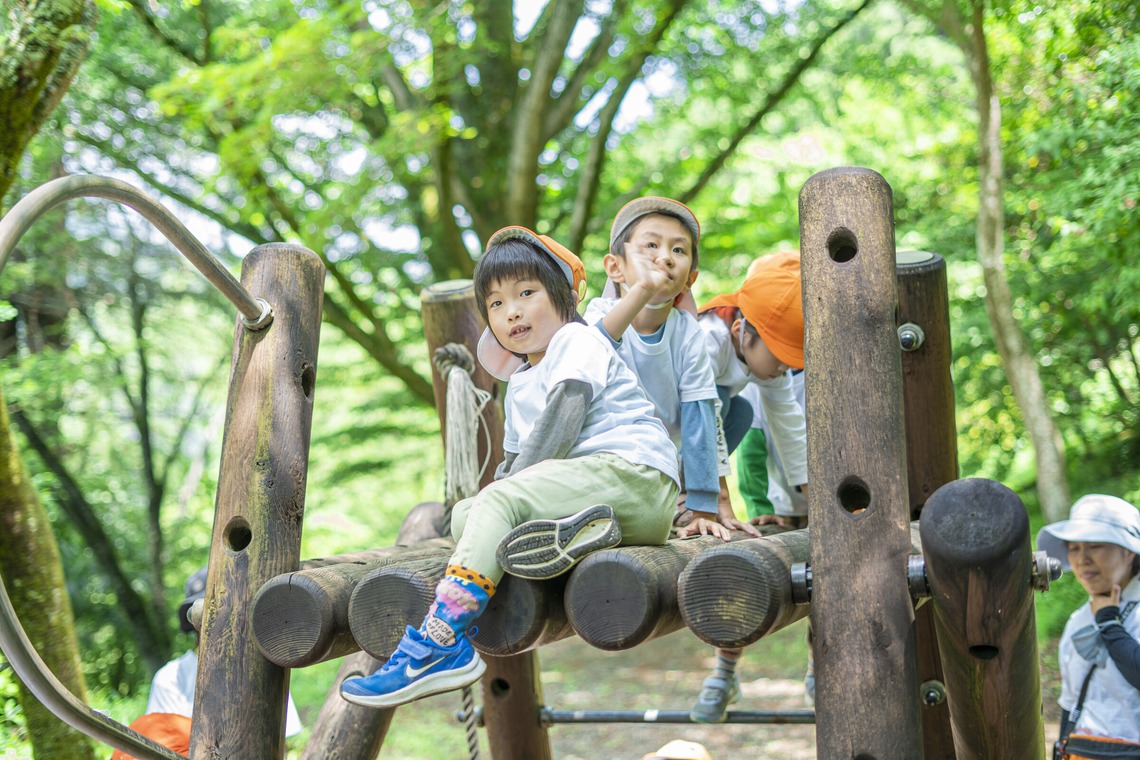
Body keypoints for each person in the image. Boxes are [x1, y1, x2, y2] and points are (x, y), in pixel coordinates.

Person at [340, 226, 680, 708]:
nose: (512, 310)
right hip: (600, 504)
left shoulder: (575, 341)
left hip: (634, 477)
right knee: (467, 515)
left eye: (526, 293)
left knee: (496, 503)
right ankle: (577, 534)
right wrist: (490, 504)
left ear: (563, 298)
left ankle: (440, 638)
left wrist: (502, 498)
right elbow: (516, 466)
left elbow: (563, 419)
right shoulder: (520, 382)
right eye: (496, 304)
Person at [585, 196, 760, 541]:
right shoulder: (598, 314)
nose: (665, 257)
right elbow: (594, 350)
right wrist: (641, 290)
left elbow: (701, 417)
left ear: (690, 277)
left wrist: (708, 507)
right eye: (651, 245)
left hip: (665, 455)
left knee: (734, 409)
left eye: (678, 251)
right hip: (607, 451)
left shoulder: (688, 332)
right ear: (615, 267)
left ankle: (680, 501)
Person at [687, 251, 809, 723]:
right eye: (780, 357)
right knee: (730, 409)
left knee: (736, 410)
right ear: (744, 330)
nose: (784, 368)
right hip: (660, 434)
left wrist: (814, 497)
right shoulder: (707, 339)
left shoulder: (765, 366)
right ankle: (723, 670)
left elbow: (790, 429)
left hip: (709, 438)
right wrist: (718, 501)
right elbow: (700, 417)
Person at [1037, 494, 1140, 753]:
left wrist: (1109, 623)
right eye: (1074, 548)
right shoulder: (1078, 621)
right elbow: (1070, 704)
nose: (1082, 559)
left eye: (1094, 546)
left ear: (1127, 551)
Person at [146, 566, 303, 737]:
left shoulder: (261, 668)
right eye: (208, 613)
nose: (217, 620)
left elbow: (281, 742)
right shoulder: (171, 678)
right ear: (194, 620)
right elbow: (163, 742)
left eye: (224, 609)